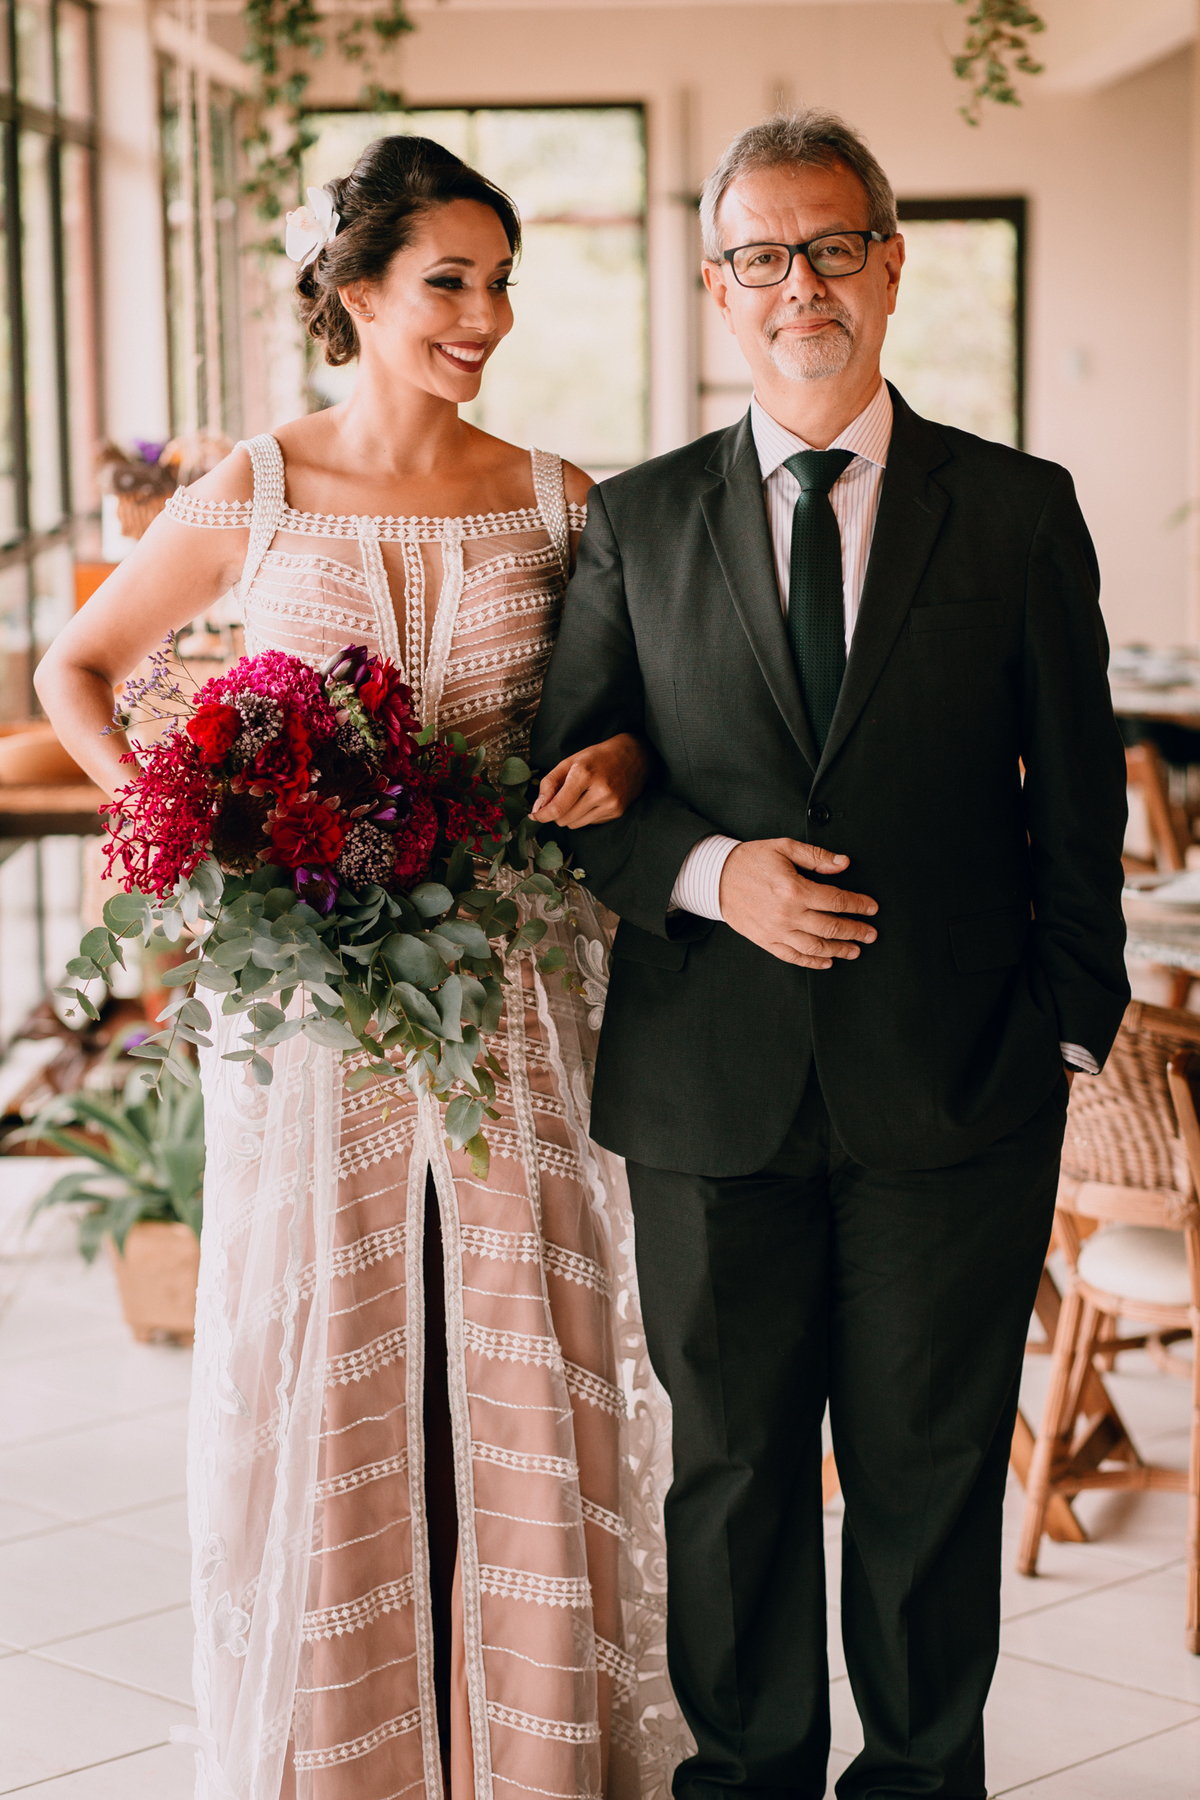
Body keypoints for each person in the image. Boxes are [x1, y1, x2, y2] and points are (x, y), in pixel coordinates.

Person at [36, 136, 687, 1800]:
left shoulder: (559, 499)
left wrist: (614, 765)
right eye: (449, 282)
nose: (486, 315)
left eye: (500, 282)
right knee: (337, 1342)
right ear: (358, 291)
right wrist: (176, 829)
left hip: (518, 1000)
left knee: (519, 1351)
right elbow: (81, 666)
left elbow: (635, 721)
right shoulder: (251, 488)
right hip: (312, 1010)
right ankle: (346, 1757)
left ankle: (536, 1752)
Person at [531, 109, 1130, 1800]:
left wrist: (1068, 1034)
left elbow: (1078, 803)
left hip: (961, 1092)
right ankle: (748, 1777)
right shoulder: (635, 524)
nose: (800, 284)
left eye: (832, 245)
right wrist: (716, 874)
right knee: (729, 1476)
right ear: (721, 288)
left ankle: (927, 1783)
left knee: (932, 1476)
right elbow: (566, 802)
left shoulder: (1018, 512)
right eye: (761, 256)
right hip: (707, 1083)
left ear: (889, 262)